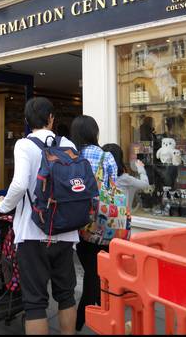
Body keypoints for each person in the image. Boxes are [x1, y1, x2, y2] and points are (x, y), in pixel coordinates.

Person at [0, 97, 77, 335]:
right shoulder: (68, 143)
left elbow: (19, 184)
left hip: (33, 231)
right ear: (51, 119)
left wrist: (3, 206)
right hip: (66, 229)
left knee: (35, 302)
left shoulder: (23, 145)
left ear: (27, 121)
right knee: (66, 295)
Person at [69, 115, 118, 331]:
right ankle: (86, 315)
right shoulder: (106, 157)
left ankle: (87, 313)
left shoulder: (70, 156)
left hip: (78, 222)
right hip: (103, 222)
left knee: (91, 269)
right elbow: (114, 189)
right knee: (96, 272)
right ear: (94, 133)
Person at [101, 143, 149, 210]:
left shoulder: (100, 176)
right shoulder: (124, 178)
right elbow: (145, 185)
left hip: (104, 214)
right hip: (120, 217)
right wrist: (141, 169)